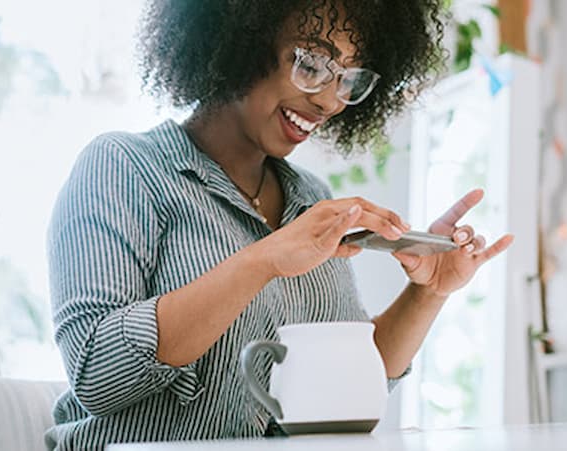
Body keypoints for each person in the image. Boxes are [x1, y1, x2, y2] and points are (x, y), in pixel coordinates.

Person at [45, 0, 513, 448]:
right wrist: (264, 259)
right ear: (239, 37)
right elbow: (97, 375)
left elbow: (340, 382)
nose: (330, 101)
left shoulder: (310, 199)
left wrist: (428, 291)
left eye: (348, 78)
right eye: (311, 64)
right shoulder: (123, 167)